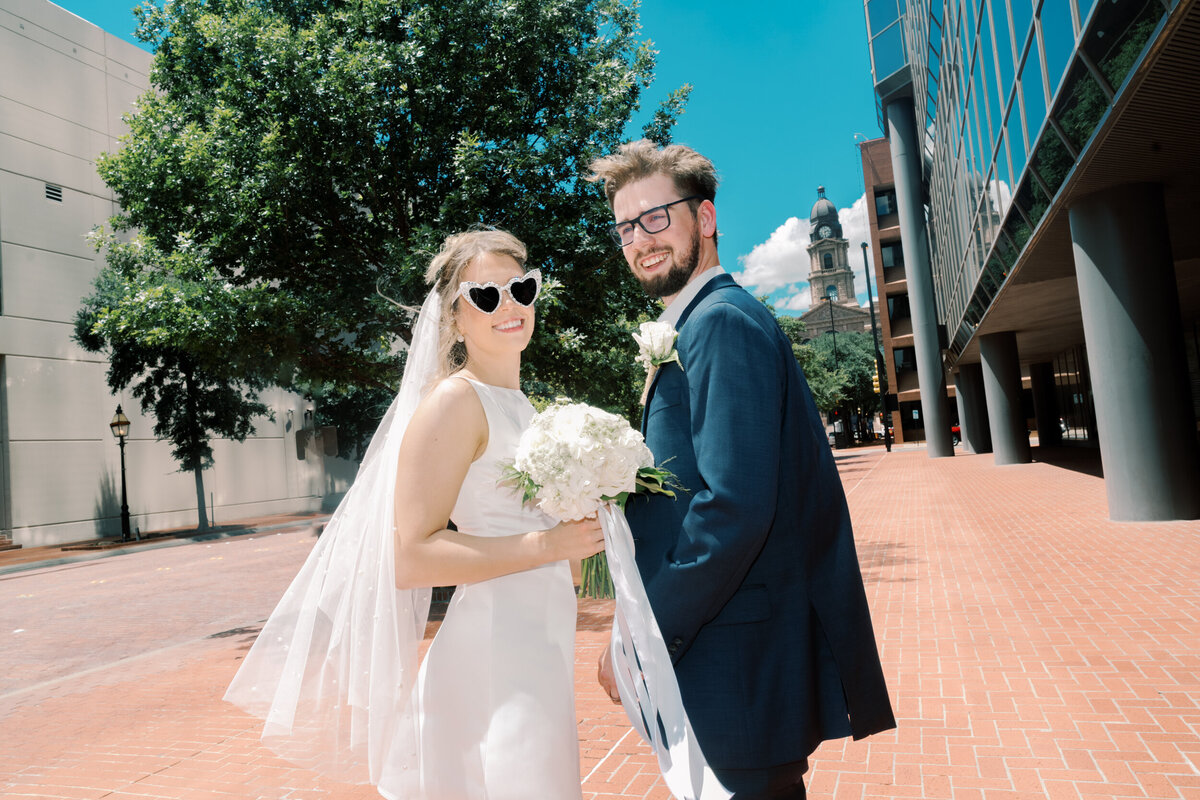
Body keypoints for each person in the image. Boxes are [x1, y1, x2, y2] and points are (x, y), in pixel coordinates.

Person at [225, 229, 604, 800]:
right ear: (455, 316)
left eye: (521, 288)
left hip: (541, 645)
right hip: (496, 655)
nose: (509, 306)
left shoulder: (528, 410)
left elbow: (549, 544)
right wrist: (551, 547)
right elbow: (411, 556)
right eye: (485, 296)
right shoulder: (455, 402)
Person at [589, 140, 896, 799]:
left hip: (736, 664)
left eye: (655, 217)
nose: (638, 240)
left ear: (704, 220)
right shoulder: (699, 322)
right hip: (729, 660)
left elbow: (731, 507)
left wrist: (643, 642)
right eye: (623, 227)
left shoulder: (721, 323)